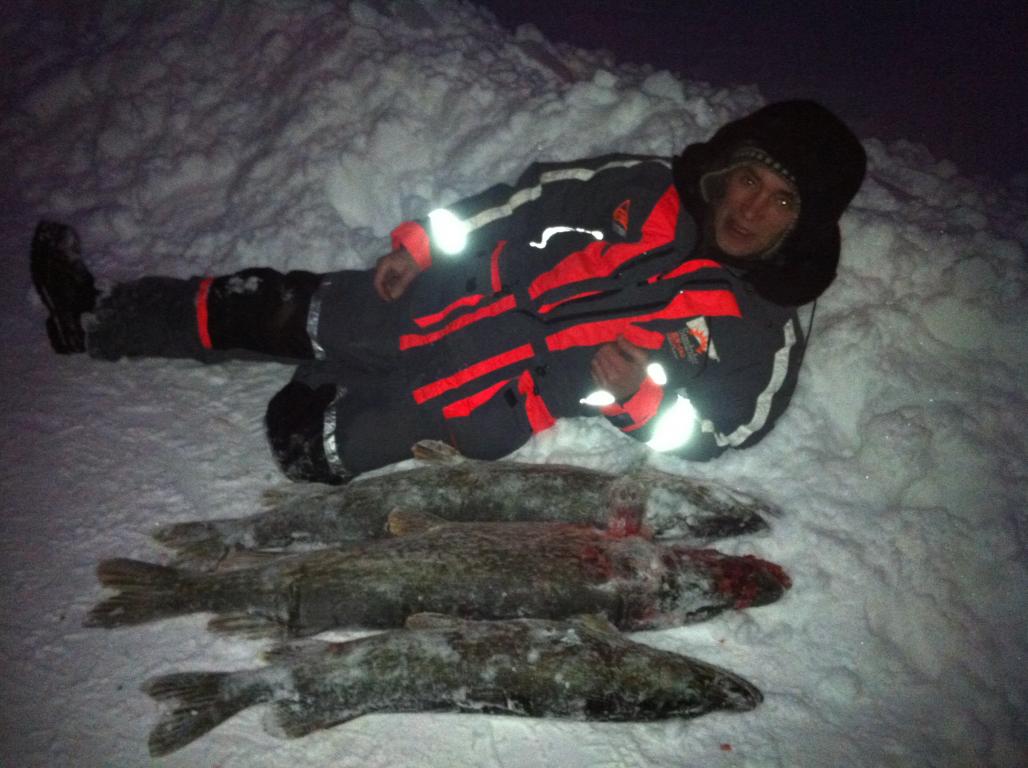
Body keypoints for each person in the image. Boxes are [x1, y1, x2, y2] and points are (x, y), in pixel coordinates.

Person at [30, 100, 866, 484]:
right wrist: (425, 244)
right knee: (270, 306)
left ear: (804, 224)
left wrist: (642, 405)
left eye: (780, 202)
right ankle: (99, 318)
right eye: (750, 180)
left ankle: (325, 380)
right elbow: (526, 200)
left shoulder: (766, 327)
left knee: (304, 446)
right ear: (728, 169)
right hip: (443, 301)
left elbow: (727, 429)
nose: (750, 209)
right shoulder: (648, 187)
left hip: (485, 398)